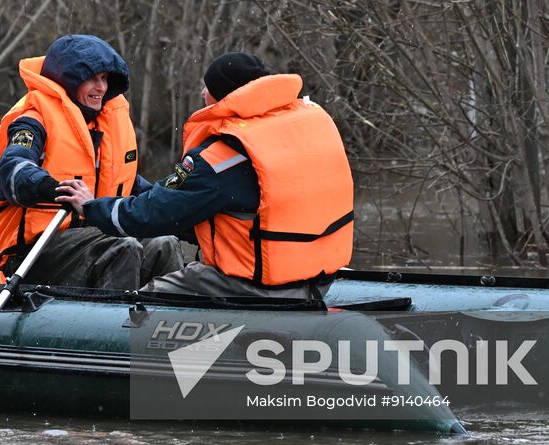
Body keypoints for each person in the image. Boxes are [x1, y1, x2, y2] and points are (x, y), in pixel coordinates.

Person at [57, 52, 354, 299]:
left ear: (224, 96)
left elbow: (154, 213)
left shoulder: (221, 157)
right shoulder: (294, 137)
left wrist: (92, 207)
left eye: (207, 87)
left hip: (252, 285)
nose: (202, 93)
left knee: (141, 300)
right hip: (314, 277)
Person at [0, 34, 183, 290]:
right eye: (93, 79)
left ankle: (164, 325)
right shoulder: (32, 119)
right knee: (122, 246)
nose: (102, 88)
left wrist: (181, 210)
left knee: (164, 242)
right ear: (69, 81)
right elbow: (12, 169)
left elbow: (131, 187)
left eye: (105, 79)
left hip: (92, 239)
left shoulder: (105, 126)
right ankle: (112, 327)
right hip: (33, 252)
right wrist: (54, 189)